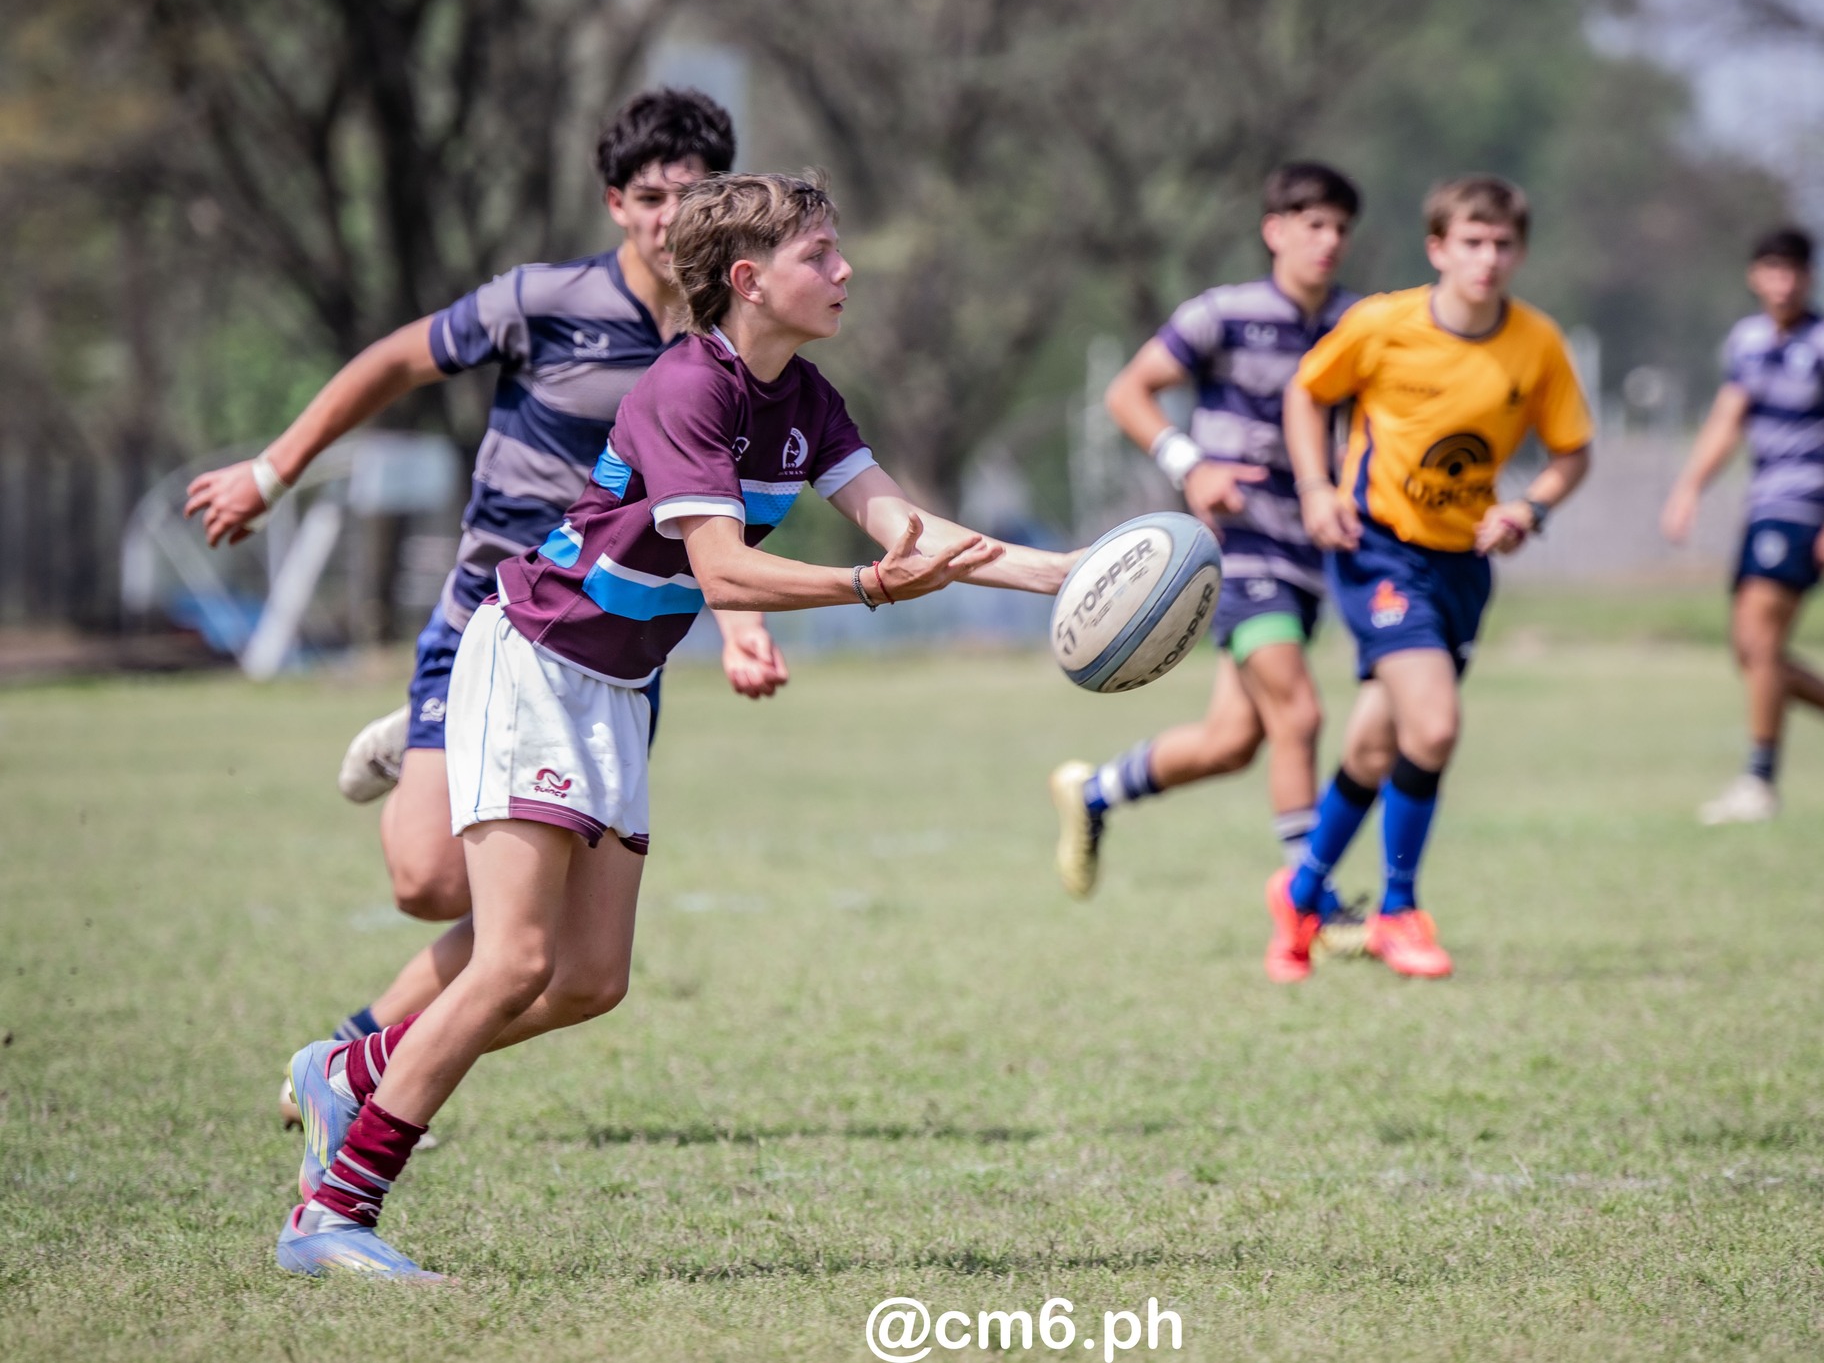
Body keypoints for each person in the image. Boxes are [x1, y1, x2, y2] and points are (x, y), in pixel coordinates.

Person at [273, 171, 1083, 1279]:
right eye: (820, 255)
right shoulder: (679, 391)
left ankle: (357, 1067)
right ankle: (333, 1213)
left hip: (613, 686)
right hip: (535, 661)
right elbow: (725, 566)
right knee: (512, 957)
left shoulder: (808, 400)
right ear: (748, 280)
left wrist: (1080, 576)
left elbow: (908, 526)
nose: (844, 271)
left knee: (590, 977)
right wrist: (864, 590)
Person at [183, 90, 784, 1115]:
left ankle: (351, 1062)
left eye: (689, 196)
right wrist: (272, 472)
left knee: (546, 944)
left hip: (613, 653)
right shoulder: (544, 300)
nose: (666, 214)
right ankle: (435, 746)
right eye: (648, 195)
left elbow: (710, 514)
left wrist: (742, 625)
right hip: (491, 625)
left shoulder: (729, 346)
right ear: (613, 202)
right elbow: (390, 361)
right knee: (431, 884)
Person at [1271, 174, 1593, 983]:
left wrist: (1530, 510)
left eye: (1502, 245)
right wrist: (1315, 489)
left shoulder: (1537, 345)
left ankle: (1301, 893)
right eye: (1471, 243)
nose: (1487, 260)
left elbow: (1572, 452)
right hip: (1379, 549)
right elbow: (1306, 396)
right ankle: (1395, 910)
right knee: (1437, 725)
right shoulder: (1382, 325)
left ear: (1519, 252)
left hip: (1463, 566)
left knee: (1379, 744)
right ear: (1438, 248)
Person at [1047, 163, 1361, 901]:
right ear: (1274, 229)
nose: (1330, 241)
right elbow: (1129, 392)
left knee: (1232, 743)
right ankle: (1309, 900)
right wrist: (1192, 466)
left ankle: (1092, 793)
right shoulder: (1223, 314)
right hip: (1238, 548)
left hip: (1308, 551)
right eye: (1314, 224)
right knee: (1302, 713)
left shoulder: (1356, 324)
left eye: (1342, 228)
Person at [1660, 226, 1824, 824]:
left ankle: (1760, 782)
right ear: (1754, 276)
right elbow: (1728, 418)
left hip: (1806, 503)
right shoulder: (1746, 341)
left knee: (1762, 640)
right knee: (1751, 651)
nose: (1784, 282)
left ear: (1810, 277)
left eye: (1794, 270)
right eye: (1772, 269)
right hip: (1763, 502)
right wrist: (1690, 485)